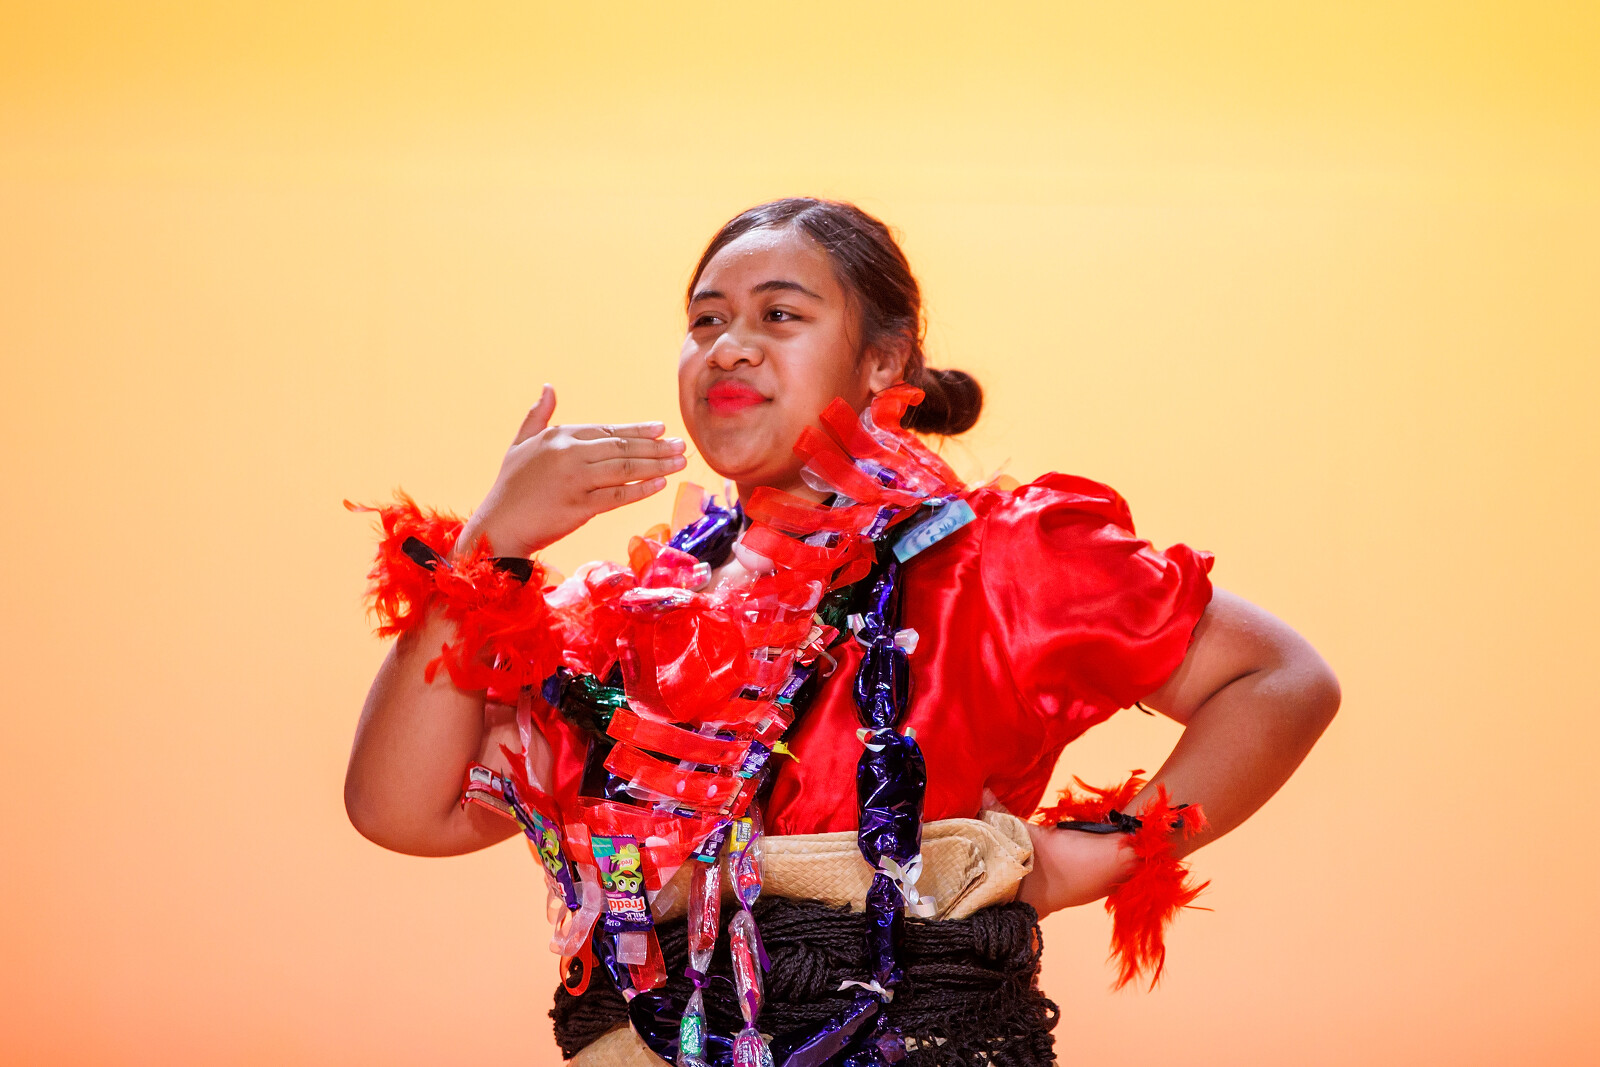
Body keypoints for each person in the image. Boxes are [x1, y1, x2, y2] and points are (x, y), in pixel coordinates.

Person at [344, 198, 1340, 1066]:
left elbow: (1281, 677)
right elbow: (401, 809)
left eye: (778, 314)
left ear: (883, 360)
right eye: (705, 319)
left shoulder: (993, 561)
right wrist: (482, 552)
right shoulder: (629, 623)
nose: (729, 346)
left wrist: (1097, 851)